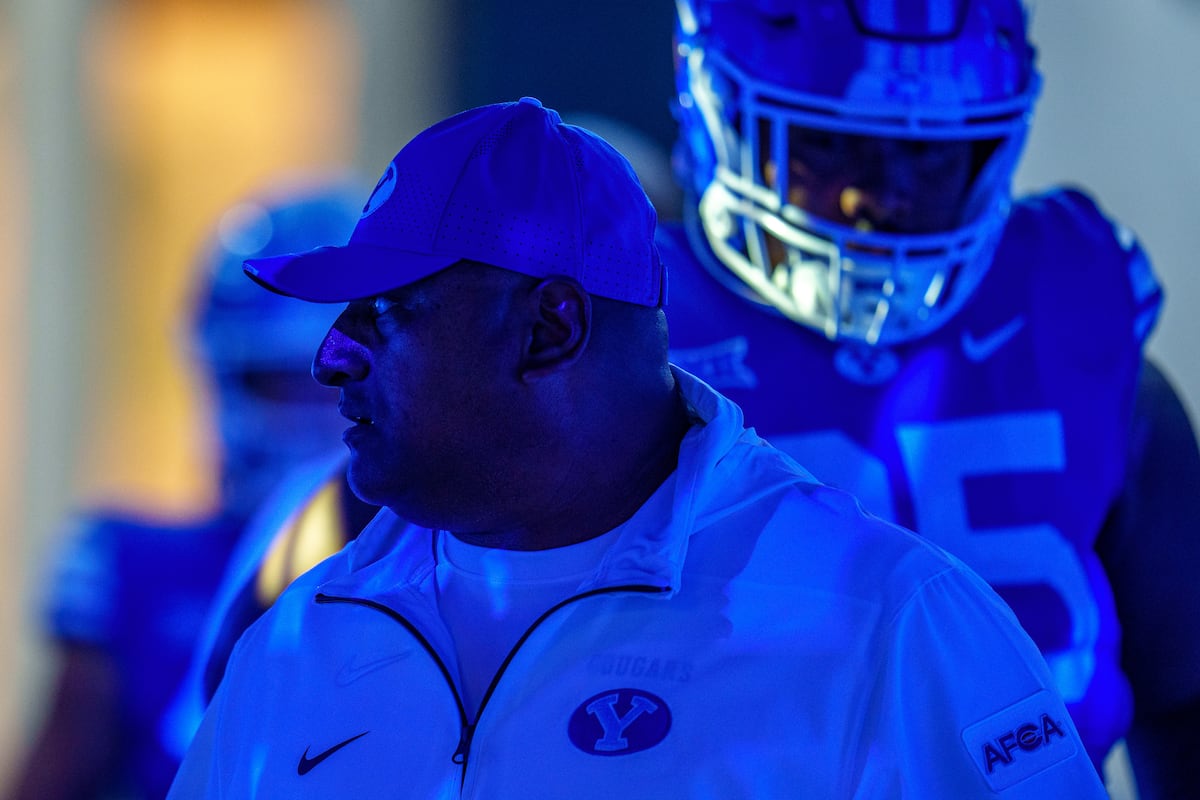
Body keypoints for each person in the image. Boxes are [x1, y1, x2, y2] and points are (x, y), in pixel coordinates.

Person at [168, 97, 1105, 798]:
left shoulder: (884, 618)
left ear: (550, 328)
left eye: (388, 312)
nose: (332, 356)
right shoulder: (300, 637)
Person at [658, 1, 1200, 797]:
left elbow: (1184, 694)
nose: (883, 199)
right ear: (716, 108)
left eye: (928, 151)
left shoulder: (1066, 311)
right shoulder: (633, 332)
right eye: (831, 143)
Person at [4, 182, 371, 800]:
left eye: (336, 382)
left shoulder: (450, 573)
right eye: (282, 384)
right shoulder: (133, 565)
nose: (313, 415)